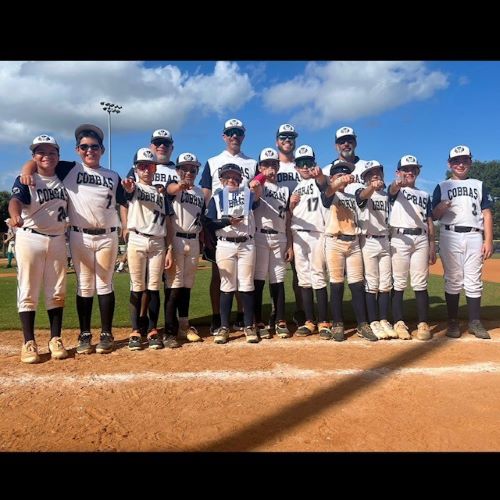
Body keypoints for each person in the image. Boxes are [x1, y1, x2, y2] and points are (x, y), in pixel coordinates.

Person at [21, 124, 128, 355]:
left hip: (108, 235)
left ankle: (106, 334)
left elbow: (125, 200)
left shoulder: (113, 175)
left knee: (105, 284)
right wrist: (26, 169)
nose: (90, 150)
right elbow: (39, 161)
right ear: (77, 150)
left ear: (102, 150)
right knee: (84, 285)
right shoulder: (69, 168)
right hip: (79, 234)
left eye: (95, 147)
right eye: (84, 147)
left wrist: (129, 196)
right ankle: (85, 334)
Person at [9, 134, 68, 363]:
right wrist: (15, 215)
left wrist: (28, 166)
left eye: (51, 152)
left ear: (58, 156)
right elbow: (15, 201)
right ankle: (29, 342)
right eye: (40, 152)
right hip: (30, 237)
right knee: (28, 289)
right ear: (33, 156)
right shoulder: (27, 178)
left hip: (57, 238)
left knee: (57, 290)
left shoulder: (64, 174)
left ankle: (55, 338)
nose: (46, 156)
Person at [199, 118, 257, 333]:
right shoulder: (213, 161)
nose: (234, 136)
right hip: (220, 228)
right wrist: (208, 226)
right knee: (220, 275)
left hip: (245, 229)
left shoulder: (252, 163)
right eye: (230, 132)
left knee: (244, 279)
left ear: (243, 136)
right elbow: (206, 193)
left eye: (238, 132)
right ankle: (219, 318)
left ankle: (243, 317)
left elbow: (257, 193)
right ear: (224, 136)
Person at [432, 145, 494, 339]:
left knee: (474, 280)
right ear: (449, 164)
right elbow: (434, 215)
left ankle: (475, 322)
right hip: (450, 234)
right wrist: (442, 207)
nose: (460, 164)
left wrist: (488, 240)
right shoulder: (442, 186)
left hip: (475, 235)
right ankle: (453, 321)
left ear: (470, 162)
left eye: (464, 160)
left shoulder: (479, 184)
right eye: (456, 161)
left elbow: (487, 213)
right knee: (453, 279)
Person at [318, 161, 378, 342]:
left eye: (345, 175)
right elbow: (329, 190)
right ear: (332, 178)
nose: (343, 178)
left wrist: (372, 187)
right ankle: (338, 323)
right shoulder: (329, 193)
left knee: (357, 285)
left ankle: (362, 324)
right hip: (334, 242)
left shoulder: (353, 195)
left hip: (353, 243)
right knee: (336, 284)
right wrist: (339, 181)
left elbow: (364, 194)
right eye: (339, 175)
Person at [203, 163, 262, 344]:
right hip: (225, 243)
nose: (232, 180)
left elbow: (257, 196)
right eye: (228, 177)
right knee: (227, 285)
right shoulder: (217, 198)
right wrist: (227, 221)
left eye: (236, 177)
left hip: (246, 243)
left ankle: (248, 325)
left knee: (247, 284)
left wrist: (257, 184)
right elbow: (208, 223)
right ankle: (224, 326)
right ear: (221, 180)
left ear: (240, 179)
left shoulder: (247, 195)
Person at [126, 129, 178, 337]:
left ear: (155, 168)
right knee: (137, 286)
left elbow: (169, 222)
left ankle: (152, 328)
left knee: (154, 286)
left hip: (158, 241)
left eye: (150, 166)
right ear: (136, 169)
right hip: (137, 239)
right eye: (142, 166)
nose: (146, 170)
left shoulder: (161, 193)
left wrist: (170, 248)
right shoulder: (134, 187)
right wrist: (128, 187)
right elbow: (126, 192)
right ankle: (135, 329)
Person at [389, 155, 436, 340]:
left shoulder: (424, 194)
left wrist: (432, 245)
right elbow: (392, 190)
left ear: (418, 171)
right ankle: (399, 322)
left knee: (420, 282)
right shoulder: (396, 190)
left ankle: (423, 323)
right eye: (406, 169)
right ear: (398, 172)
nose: (410, 172)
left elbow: (429, 221)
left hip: (421, 238)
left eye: (413, 169)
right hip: (400, 237)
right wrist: (397, 183)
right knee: (399, 282)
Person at [289, 145, 330, 338]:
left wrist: (319, 174)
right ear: (296, 167)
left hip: (316, 233)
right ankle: (309, 320)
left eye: (308, 162)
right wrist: (291, 205)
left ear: (314, 163)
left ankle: (324, 321)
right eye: (301, 163)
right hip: (298, 234)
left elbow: (323, 183)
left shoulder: (320, 179)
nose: (305, 167)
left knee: (318, 276)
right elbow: (292, 214)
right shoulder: (296, 187)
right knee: (304, 279)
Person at [165, 152, 206, 343]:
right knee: (174, 285)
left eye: (193, 169)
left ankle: (183, 325)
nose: (189, 172)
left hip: (193, 240)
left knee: (187, 285)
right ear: (178, 170)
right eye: (185, 169)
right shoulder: (173, 186)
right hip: (177, 239)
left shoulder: (199, 193)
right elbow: (170, 189)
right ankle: (169, 331)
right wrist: (180, 185)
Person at [253, 147, 293, 339]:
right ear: (260, 167)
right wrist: (262, 176)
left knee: (278, 281)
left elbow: (288, 218)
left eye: (274, 164)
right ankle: (258, 320)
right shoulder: (258, 185)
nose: (270, 168)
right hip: (260, 236)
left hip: (280, 237)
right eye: (266, 164)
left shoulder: (284, 189)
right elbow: (253, 187)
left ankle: (279, 319)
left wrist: (290, 244)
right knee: (259, 280)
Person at [356, 161, 397, 339]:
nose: (375, 175)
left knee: (385, 284)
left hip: (385, 240)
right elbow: (362, 196)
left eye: (377, 172)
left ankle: (383, 320)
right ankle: (373, 321)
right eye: (370, 173)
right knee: (371, 283)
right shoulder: (362, 192)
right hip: (369, 240)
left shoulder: (387, 196)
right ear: (365, 177)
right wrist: (372, 187)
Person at [274, 124, 305, 327]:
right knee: (275, 272)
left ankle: (302, 310)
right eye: (283, 137)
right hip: (276, 222)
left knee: (299, 271)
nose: (287, 140)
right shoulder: (271, 164)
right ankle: (277, 313)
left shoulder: (302, 164)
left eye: (291, 137)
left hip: (300, 222)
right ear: (277, 141)